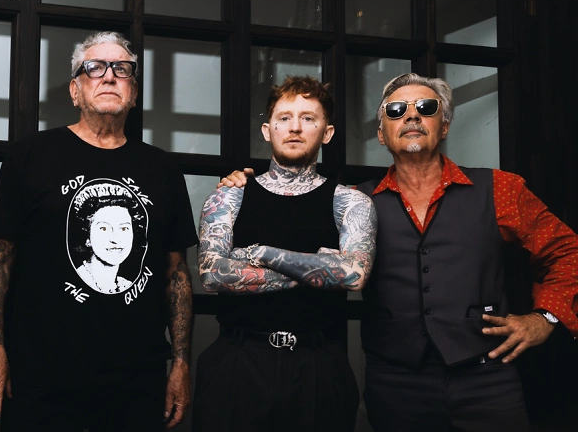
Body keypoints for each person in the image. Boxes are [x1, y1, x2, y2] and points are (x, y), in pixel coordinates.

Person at [221, 73, 578, 431]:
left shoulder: (499, 188)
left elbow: (568, 252)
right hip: (395, 384)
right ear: (381, 134)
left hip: (487, 380)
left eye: (426, 107)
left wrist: (545, 318)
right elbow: (294, 234)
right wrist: (244, 190)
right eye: (396, 110)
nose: (411, 116)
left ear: (444, 126)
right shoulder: (353, 202)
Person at [0, 31, 197, 431]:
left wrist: (182, 363)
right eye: (94, 67)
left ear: (133, 92)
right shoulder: (30, 155)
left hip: (137, 380)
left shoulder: (163, 169)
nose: (109, 76)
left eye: (122, 69)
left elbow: (176, 274)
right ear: (75, 91)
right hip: (41, 378)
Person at [193, 76, 377, 431]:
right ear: (268, 130)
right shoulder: (230, 195)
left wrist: (262, 253)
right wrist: (321, 270)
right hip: (237, 362)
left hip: (319, 365)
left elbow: (353, 275)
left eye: (308, 118)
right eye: (284, 118)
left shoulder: (350, 202)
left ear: (327, 133)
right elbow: (213, 275)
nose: (295, 127)